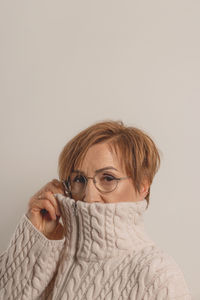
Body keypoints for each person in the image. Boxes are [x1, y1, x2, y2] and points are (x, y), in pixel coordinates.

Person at [0, 120, 191, 299]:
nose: (89, 196)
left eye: (108, 178)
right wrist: (35, 239)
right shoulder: (51, 255)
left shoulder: (158, 276)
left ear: (143, 186)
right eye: (79, 179)